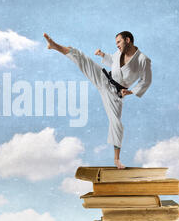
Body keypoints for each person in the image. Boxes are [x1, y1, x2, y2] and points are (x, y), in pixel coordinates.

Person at [43, 32, 152, 169]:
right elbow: (113, 61)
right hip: (105, 78)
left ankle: (117, 159)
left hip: (115, 94)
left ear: (128, 40)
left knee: (116, 124)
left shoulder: (143, 60)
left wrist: (130, 91)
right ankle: (54, 45)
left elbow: (146, 81)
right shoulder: (119, 53)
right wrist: (103, 55)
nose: (117, 45)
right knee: (81, 57)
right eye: (116, 43)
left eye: (118, 42)